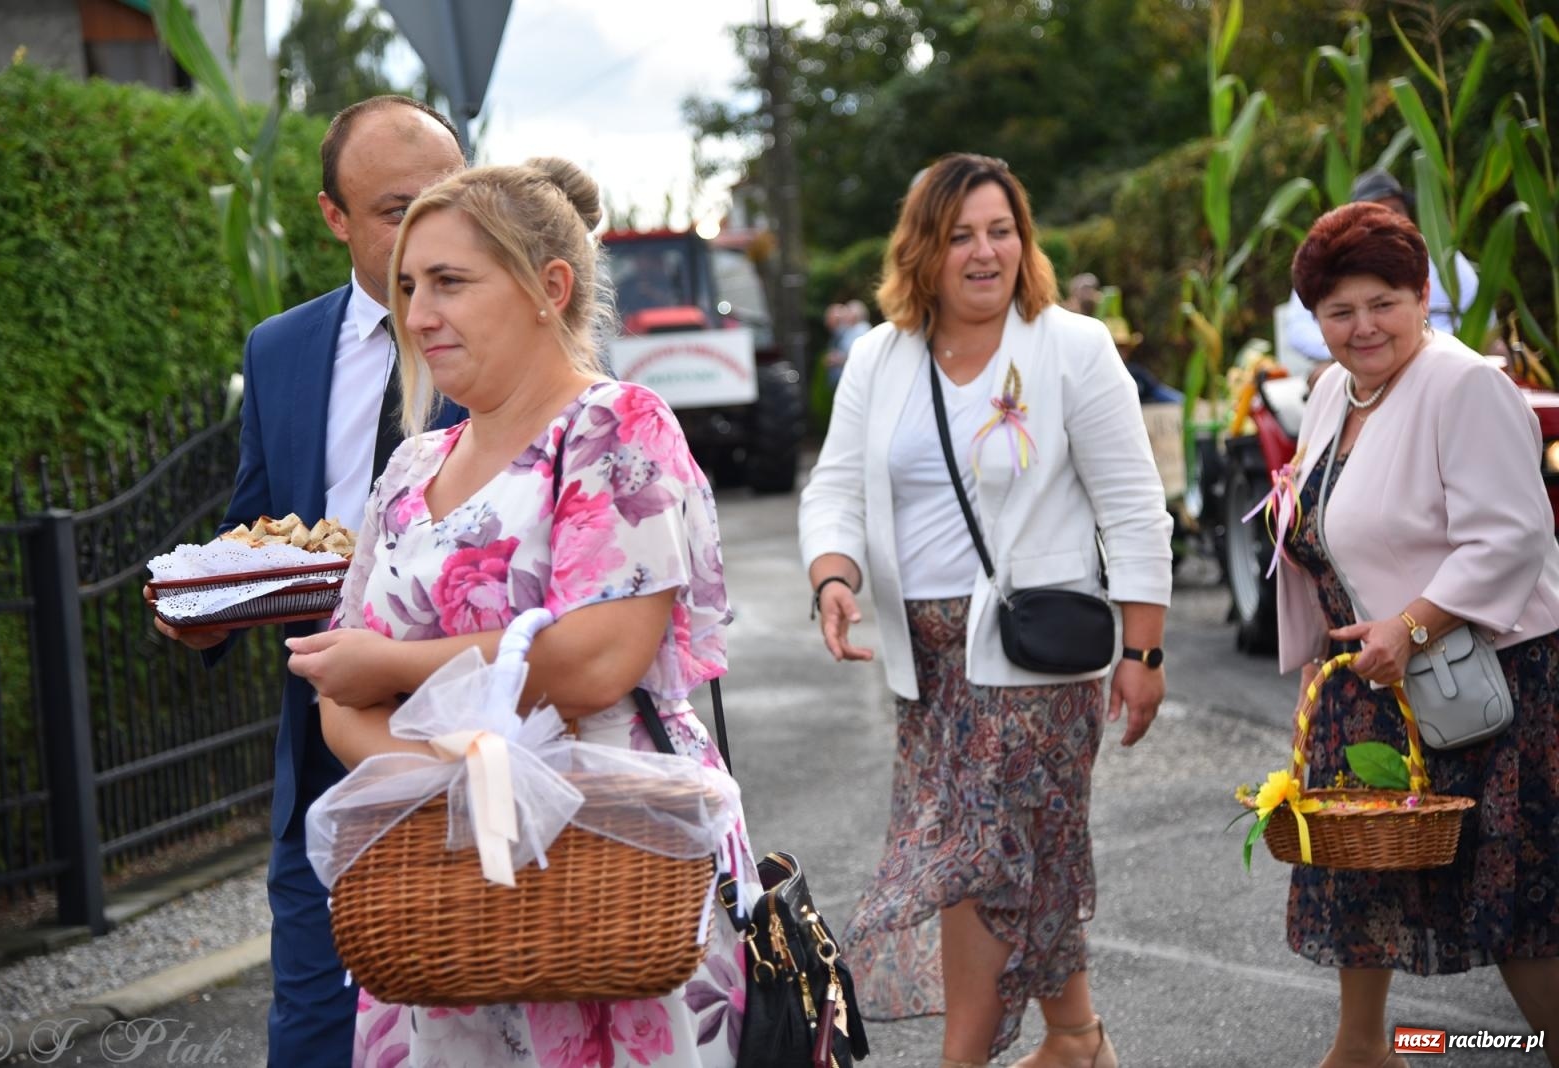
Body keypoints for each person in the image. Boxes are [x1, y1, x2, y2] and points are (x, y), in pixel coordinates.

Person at [282, 159, 752, 1067]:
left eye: (450, 282)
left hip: (606, 870)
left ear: (550, 287)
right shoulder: (410, 468)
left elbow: (595, 659)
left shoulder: (614, 426)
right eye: (410, 286)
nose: (418, 316)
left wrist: (396, 673)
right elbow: (338, 695)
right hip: (442, 895)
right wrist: (453, 788)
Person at [798, 153, 1173, 1068]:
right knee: (1014, 861)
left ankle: (961, 1062)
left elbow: (1133, 506)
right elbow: (835, 487)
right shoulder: (879, 359)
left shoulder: (1070, 347)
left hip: (1031, 661)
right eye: (960, 234)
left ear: (1024, 240)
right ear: (922, 250)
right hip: (924, 669)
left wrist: (1146, 655)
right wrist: (833, 576)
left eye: (1000, 230)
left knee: (979, 863)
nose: (984, 251)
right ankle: (1077, 1037)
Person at [149, 96, 466, 1066]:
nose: (428, 227)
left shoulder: (519, 342)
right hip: (323, 754)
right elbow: (258, 531)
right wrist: (208, 613)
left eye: (447, 197)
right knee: (318, 1038)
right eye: (394, 208)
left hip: (476, 743)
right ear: (333, 217)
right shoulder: (279, 351)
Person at [1273, 200, 1559, 1068]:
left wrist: (1412, 623)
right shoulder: (1332, 390)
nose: (1362, 327)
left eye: (1383, 302)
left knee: (1511, 904)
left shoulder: (1464, 383)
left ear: (1424, 293)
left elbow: (1512, 533)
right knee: (1358, 882)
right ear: (1314, 321)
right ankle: (1361, 1052)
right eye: (1338, 311)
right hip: (1369, 682)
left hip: (1480, 684)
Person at [1282, 168, 1480, 366]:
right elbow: (1299, 327)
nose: (1365, 328)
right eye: (1342, 312)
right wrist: (1344, 349)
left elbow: (1478, 306)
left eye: (1395, 210)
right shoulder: (1330, 262)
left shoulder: (1438, 252)